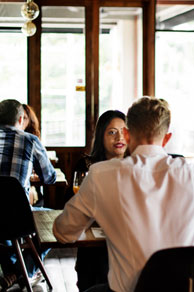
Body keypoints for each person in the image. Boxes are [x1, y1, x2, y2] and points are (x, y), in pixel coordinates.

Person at [53, 97, 194, 292]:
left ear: (127, 134)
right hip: (190, 287)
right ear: (167, 138)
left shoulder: (101, 175)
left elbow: (63, 232)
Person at [0, 99, 57, 288]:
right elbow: (49, 178)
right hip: (17, 218)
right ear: (22, 117)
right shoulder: (30, 140)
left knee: (0, 227)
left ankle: (12, 273)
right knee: (56, 221)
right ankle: (21, 273)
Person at [72, 110, 127, 291]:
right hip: (93, 244)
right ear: (101, 136)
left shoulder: (137, 166)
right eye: (112, 132)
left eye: (123, 131)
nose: (119, 137)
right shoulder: (87, 165)